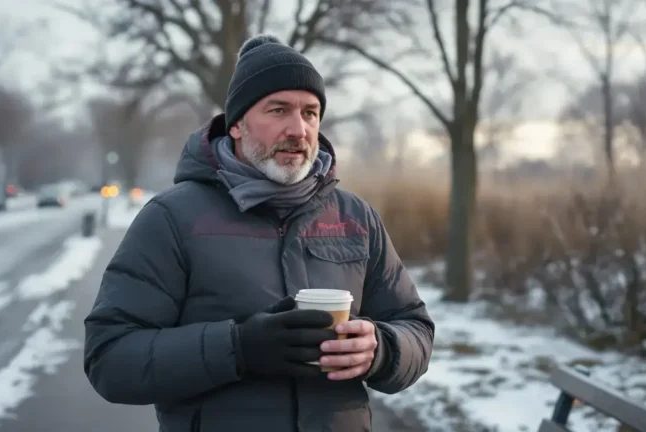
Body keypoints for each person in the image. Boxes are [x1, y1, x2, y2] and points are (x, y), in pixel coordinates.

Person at [83, 34, 435, 432]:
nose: (298, 129)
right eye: (279, 110)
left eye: (310, 113)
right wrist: (238, 348)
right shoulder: (172, 219)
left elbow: (415, 327)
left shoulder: (357, 218)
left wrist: (382, 350)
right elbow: (109, 358)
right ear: (236, 124)